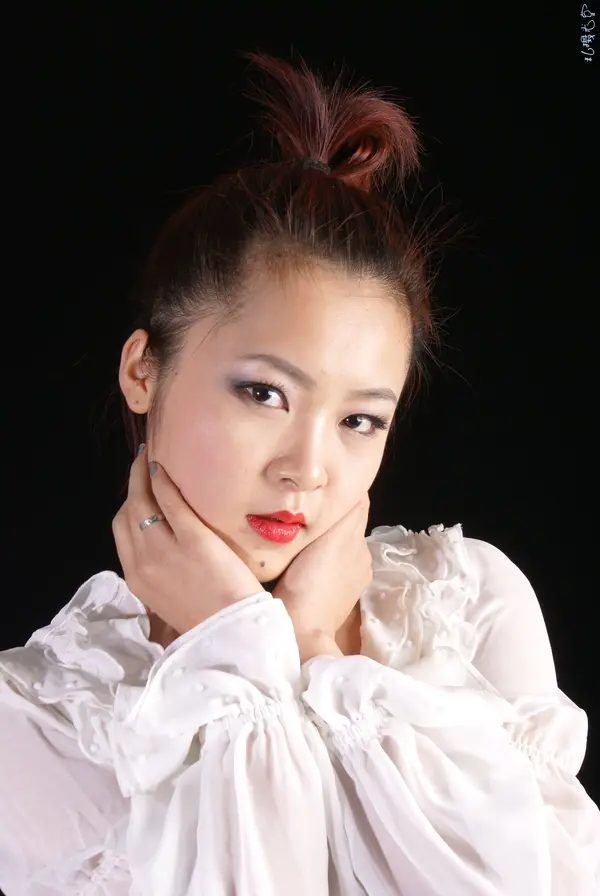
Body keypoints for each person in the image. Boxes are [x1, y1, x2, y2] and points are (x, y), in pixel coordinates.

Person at [0, 52, 598, 896]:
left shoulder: (467, 603)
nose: (307, 470)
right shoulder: (39, 722)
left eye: (360, 420)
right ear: (141, 371)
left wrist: (314, 648)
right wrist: (234, 646)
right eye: (263, 394)